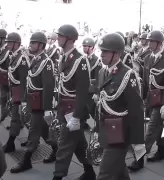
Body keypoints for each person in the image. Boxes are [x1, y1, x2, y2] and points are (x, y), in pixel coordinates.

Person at [95, 32, 144, 180]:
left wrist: (138, 141)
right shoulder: (102, 72)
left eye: (105, 51)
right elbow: (101, 105)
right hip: (107, 130)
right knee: (119, 170)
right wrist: (97, 129)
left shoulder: (128, 75)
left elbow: (136, 110)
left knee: (104, 174)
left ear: (116, 53)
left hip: (120, 133)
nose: (101, 54)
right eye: (101, 50)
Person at [52, 24, 95, 180]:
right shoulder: (64, 57)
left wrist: (76, 117)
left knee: (63, 147)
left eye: (60, 36)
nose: (58, 38)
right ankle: (90, 172)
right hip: (65, 110)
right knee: (79, 145)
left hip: (73, 113)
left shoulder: (80, 61)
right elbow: (62, 86)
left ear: (69, 39)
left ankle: (57, 176)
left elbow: (83, 92)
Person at [10, 32, 56, 173]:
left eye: (33, 43)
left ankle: (26, 161)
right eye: (30, 42)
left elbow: (48, 86)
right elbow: (29, 81)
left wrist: (48, 109)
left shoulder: (46, 62)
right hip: (34, 102)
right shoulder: (36, 59)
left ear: (41, 45)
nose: (30, 45)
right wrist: (25, 101)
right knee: (43, 131)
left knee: (34, 132)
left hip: (40, 105)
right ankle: (57, 149)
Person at [127, 30, 164, 171]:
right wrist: (143, 99)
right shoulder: (148, 58)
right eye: (149, 41)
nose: (149, 43)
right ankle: (161, 151)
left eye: (152, 41)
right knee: (159, 128)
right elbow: (146, 82)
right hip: (151, 98)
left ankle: (139, 159)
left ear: (159, 43)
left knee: (152, 129)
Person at [3, 32, 29, 153]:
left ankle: (10, 143)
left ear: (16, 43)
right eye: (7, 42)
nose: (7, 44)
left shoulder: (22, 58)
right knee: (20, 118)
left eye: (10, 42)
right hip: (14, 90)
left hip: (20, 91)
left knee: (16, 117)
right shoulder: (14, 56)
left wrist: (23, 101)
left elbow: (24, 80)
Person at [0, 29, 9, 122]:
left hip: (9, 78)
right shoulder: (2, 50)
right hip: (2, 79)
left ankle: (19, 122)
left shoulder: (8, 51)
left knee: (15, 101)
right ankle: (3, 115)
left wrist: (2, 70)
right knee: (3, 98)